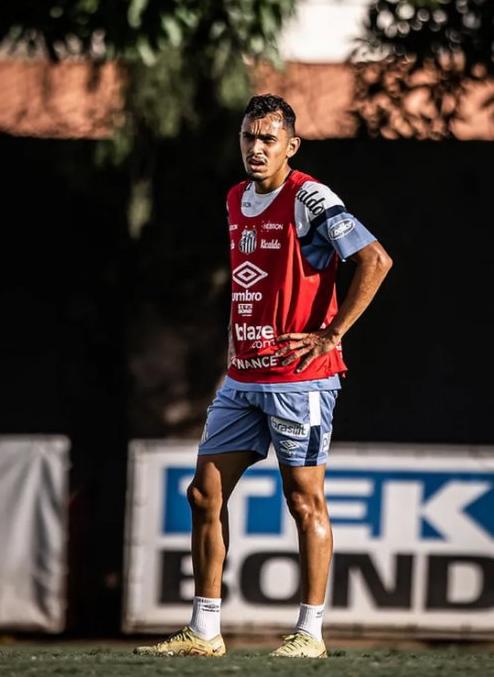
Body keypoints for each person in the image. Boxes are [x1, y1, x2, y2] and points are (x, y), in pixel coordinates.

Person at [134, 94, 392, 658]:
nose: (256, 148)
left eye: (269, 139)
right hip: (242, 378)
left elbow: (375, 260)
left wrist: (331, 334)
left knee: (304, 501)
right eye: (249, 137)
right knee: (203, 493)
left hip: (300, 378)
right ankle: (204, 631)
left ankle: (311, 633)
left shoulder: (311, 197)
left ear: (291, 146)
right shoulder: (236, 198)